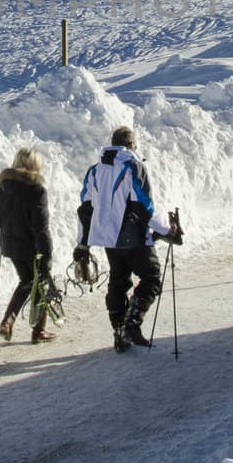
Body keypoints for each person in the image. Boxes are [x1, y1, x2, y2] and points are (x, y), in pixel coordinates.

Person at [73, 126, 184, 353]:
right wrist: (167, 229)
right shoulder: (133, 166)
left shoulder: (94, 171)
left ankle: (119, 333)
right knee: (151, 277)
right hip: (133, 237)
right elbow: (144, 205)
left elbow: (85, 208)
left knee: (118, 282)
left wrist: (83, 242)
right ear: (132, 145)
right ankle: (132, 324)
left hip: (108, 240)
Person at [0, 147, 58, 343]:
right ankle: (39, 331)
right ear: (36, 165)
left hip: (11, 247)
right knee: (40, 284)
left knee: (27, 282)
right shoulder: (37, 191)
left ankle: (7, 322)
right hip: (32, 247)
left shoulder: (4, 188)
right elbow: (41, 228)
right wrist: (47, 254)